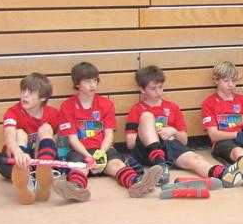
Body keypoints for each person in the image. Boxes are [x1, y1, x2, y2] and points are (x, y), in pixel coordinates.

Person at [125, 65, 243, 188]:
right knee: (147, 116)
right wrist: (152, 132)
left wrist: (174, 132)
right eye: (153, 89)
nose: (158, 92)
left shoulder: (172, 107)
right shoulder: (137, 109)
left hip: (169, 145)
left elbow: (184, 141)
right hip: (146, 150)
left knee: (196, 159)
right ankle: (160, 163)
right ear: (142, 90)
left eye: (160, 87)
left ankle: (224, 174)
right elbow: (131, 143)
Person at [54, 62, 162, 202]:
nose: (93, 85)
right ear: (77, 84)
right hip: (79, 151)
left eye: (95, 80)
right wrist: (88, 156)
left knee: (117, 165)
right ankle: (76, 189)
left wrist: (101, 153)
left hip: (103, 149)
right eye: (87, 81)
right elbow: (72, 139)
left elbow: (109, 134)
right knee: (80, 169)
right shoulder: (67, 106)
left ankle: (137, 183)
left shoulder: (106, 104)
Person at [0, 73, 59, 204]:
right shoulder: (12, 112)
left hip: (38, 156)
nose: (24, 95)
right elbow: (9, 135)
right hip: (16, 158)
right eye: (23, 91)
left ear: (43, 97)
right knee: (19, 133)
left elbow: (63, 139)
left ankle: (43, 167)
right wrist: (18, 153)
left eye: (31, 92)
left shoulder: (53, 114)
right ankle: (26, 179)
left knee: (46, 129)